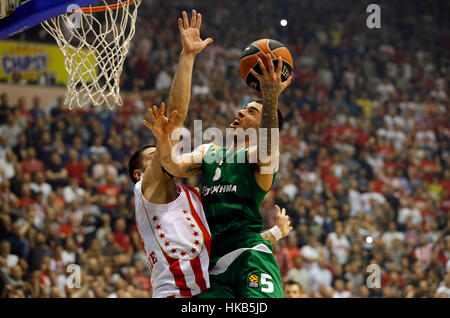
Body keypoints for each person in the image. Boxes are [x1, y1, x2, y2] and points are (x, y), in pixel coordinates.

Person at [128, 10, 291, 298]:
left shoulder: (260, 158)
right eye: (244, 106)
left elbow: (267, 148)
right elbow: (172, 165)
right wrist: (187, 57)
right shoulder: (209, 152)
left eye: (252, 111)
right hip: (212, 269)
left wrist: (270, 97)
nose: (241, 110)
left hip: (248, 256)